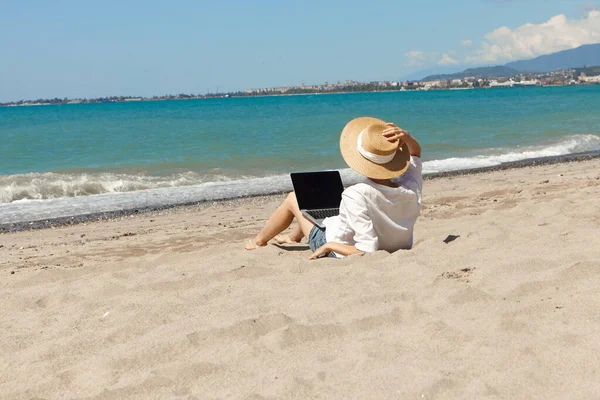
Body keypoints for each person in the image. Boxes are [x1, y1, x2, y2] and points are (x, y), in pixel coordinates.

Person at [245, 116, 422, 259]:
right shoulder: (411, 186)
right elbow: (415, 154)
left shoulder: (356, 194)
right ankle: (293, 237)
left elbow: (368, 249)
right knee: (317, 210)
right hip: (396, 245)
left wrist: (329, 245)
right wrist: (407, 137)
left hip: (333, 242)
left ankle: (259, 242)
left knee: (294, 198)